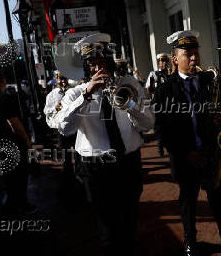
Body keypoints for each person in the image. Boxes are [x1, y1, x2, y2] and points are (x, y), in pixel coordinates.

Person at [55, 33, 155, 256]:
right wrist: (87, 95)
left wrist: (130, 106)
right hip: (96, 167)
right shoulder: (75, 93)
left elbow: (149, 123)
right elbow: (64, 128)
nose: (98, 67)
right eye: (92, 63)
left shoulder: (129, 84)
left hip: (128, 163)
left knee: (130, 221)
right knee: (107, 228)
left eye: (102, 60)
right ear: (85, 67)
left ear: (109, 60)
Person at [152, 30, 221, 256]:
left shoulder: (211, 80)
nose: (194, 58)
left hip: (214, 154)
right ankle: (190, 240)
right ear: (175, 58)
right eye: (188, 54)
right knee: (188, 204)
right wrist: (185, 153)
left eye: (196, 54)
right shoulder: (164, 88)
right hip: (186, 157)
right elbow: (162, 129)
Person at [0, 70, 37, 215]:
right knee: (20, 176)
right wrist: (27, 141)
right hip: (14, 143)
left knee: (8, 176)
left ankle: (11, 204)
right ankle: (22, 204)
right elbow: (14, 123)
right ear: (2, 81)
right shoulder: (6, 98)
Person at [145, 53, 171, 157]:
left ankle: (170, 147)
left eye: (165, 61)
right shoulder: (153, 74)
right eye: (162, 61)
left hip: (170, 104)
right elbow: (149, 90)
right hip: (158, 104)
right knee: (159, 127)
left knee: (169, 126)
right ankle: (160, 148)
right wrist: (155, 88)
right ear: (158, 63)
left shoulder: (170, 74)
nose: (164, 63)